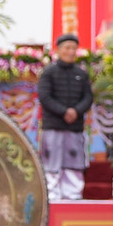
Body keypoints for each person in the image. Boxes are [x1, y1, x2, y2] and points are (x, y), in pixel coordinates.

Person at [37, 33, 93, 201]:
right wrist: (64, 111)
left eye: (73, 48)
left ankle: (73, 198)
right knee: (51, 165)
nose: (70, 52)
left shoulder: (81, 74)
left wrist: (76, 111)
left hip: (74, 129)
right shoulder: (49, 72)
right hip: (53, 127)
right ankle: (52, 199)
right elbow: (45, 97)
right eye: (67, 48)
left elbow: (88, 98)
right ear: (58, 50)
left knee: (73, 165)